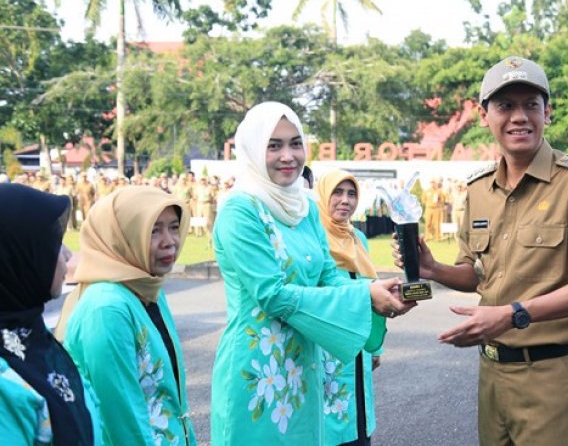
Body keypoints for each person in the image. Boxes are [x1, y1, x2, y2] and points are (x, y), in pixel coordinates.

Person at [393, 56, 568, 446]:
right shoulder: (479, 188)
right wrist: (433, 269)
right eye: (505, 106)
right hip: (493, 377)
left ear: (547, 112)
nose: (519, 117)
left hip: (553, 377)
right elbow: (477, 274)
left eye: (530, 104)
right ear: (485, 115)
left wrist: (513, 315)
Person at [210, 102, 414, 445]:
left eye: (295, 143)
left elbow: (328, 277)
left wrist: (376, 292)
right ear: (253, 150)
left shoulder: (305, 209)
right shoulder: (240, 210)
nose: (288, 155)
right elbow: (272, 295)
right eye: (273, 145)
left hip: (305, 366)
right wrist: (364, 296)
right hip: (256, 371)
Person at [57, 186, 197, 445]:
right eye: (153, 230)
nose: (169, 241)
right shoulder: (106, 308)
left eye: (174, 227)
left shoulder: (147, 287)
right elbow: (122, 420)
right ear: (121, 236)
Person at [0, 184, 103, 445]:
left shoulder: (30, 335)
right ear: (18, 256)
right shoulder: (5, 384)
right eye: (54, 243)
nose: (67, 254)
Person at [315, 170, 382, 446]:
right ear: (323, 196)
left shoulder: (358, 239)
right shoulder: (315, 239)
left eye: (351, 194)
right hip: (326, 350)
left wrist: (375, 346)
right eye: (338, 193)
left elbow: (370, 292)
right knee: (328, 427)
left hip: (358, 348)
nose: (345, 201)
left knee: (358, 420)